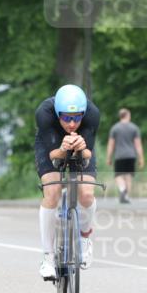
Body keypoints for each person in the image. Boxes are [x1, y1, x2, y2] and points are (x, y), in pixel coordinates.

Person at [35, 84, 100, 279]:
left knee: (87, 194)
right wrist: (64, 149)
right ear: (57, 113)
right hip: (52, 146)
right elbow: (54, 155)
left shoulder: (92, 114)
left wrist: (80, 148)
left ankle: (85, 236)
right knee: (52, 192)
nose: (72, 123)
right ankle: (48, 257)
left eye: (77, 117)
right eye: (66, 117)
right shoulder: (44, 114)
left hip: (81, 147)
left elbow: (88, 153)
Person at [106, 108, 144, 204]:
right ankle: (126, 196)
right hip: (131, 155)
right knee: (128, 176)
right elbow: (138, 145)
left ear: (120, 116)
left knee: (118, 175)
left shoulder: (115, 128)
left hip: (119, 155)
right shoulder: (134, 128)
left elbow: (111, 145)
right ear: (128, 116)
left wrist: (109, 157)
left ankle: (122, 189)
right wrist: (141, 158)